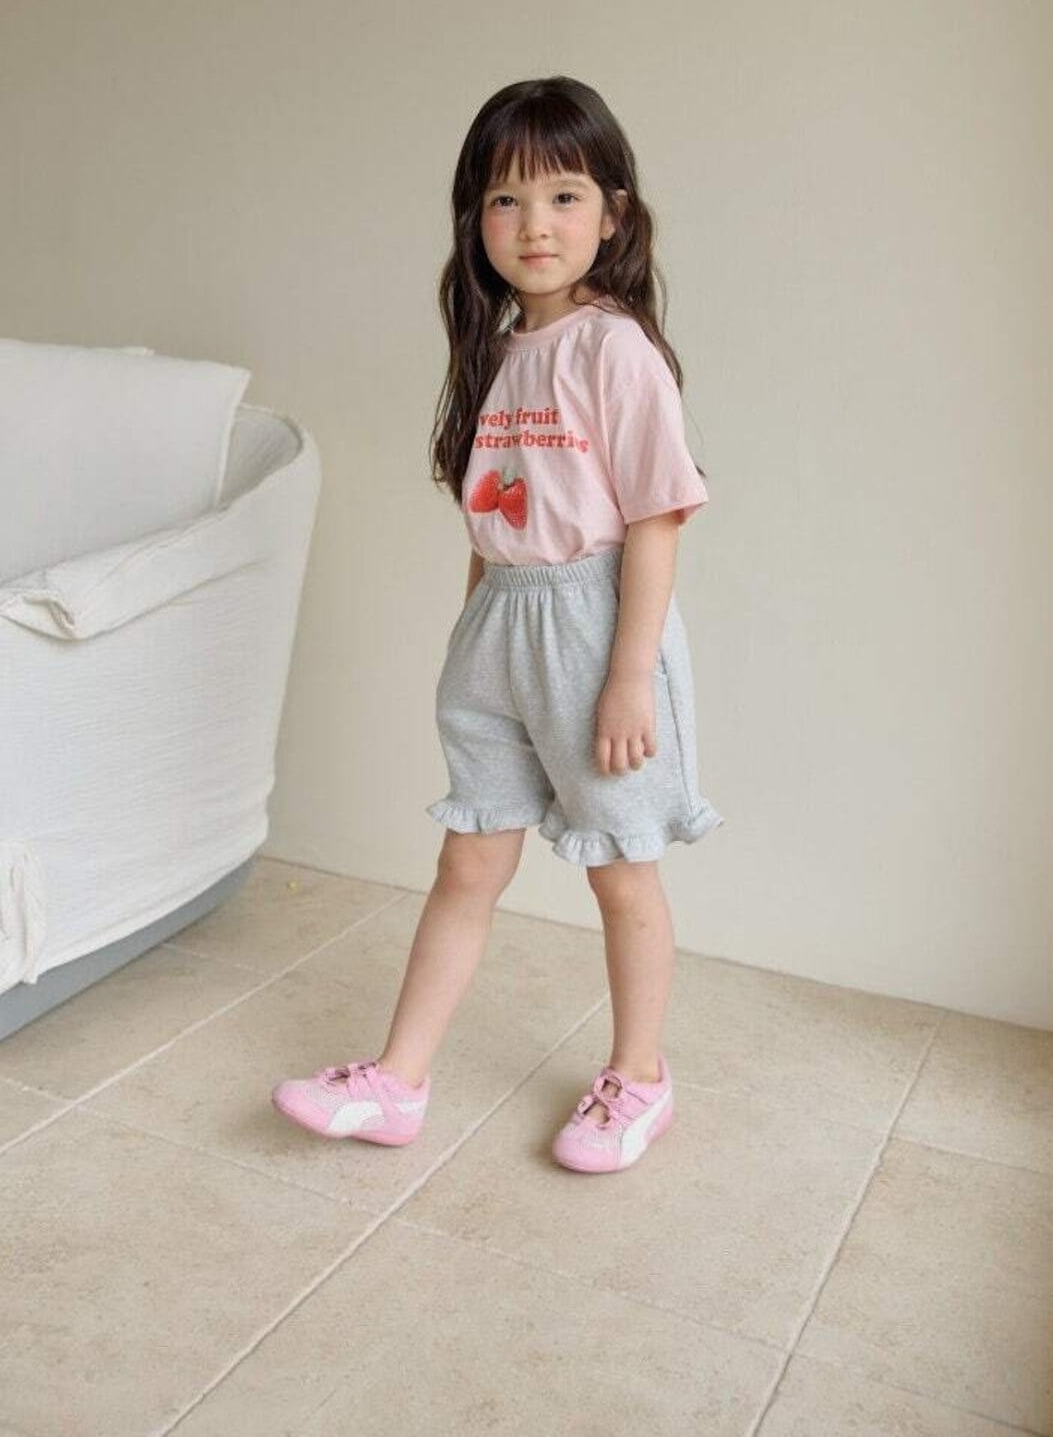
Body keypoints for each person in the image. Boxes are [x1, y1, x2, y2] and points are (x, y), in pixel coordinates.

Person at [272, 75, 724, 1174]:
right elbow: (493, 510)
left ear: (612, 215)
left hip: (595, 631)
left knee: (619, 869)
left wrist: (626, 675)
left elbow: (656, 519)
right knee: (466, 865)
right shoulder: (496, 352)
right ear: (474, 219)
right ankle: (398, 1079)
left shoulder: (615, 349)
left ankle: (640, 1076)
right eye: (505, 200)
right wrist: (471, 638)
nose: (534, 225)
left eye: (564, 197)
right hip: (499, 633)